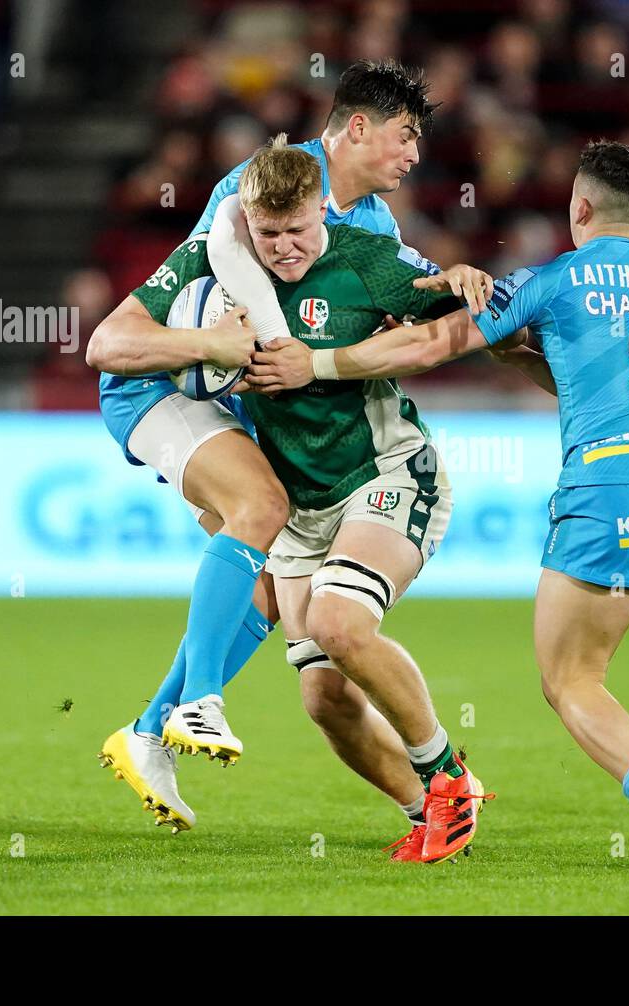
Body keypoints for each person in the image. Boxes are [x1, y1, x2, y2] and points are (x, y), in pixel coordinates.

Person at [250, 141, 629, 870]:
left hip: (608, 487)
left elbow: (435, 343)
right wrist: (524, 358)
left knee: (572, 678)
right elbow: (613, 384)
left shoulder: (555, 280)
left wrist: (321, 362)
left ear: (579, 208)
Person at [89, 60, 491, 851]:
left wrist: (442, 298)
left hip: (262, 413)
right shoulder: (265, 183)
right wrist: (260, 347)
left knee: (271, 595)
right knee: (258, 514)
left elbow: (420, 302)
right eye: (408, 136)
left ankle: (150, 728)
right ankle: (188, 706)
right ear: (358, 128)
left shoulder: (370, 229)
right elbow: (211, 282)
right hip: (171, 383)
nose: (416, 156)